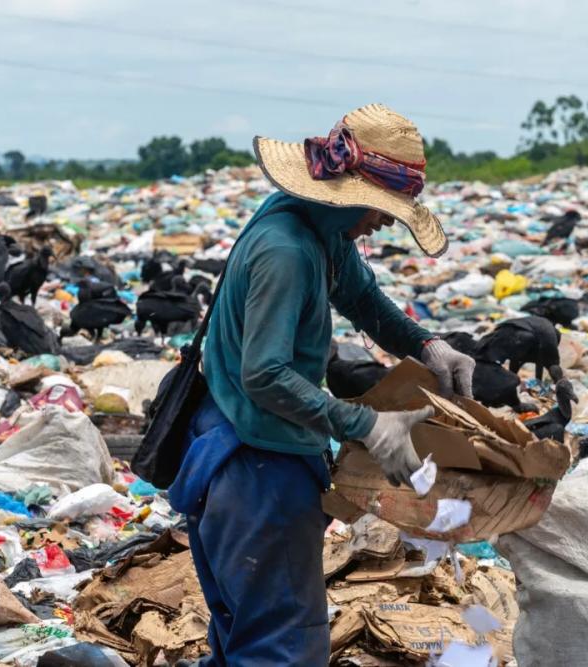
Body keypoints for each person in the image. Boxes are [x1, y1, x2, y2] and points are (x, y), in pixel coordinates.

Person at [169, 104, 476, 665]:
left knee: (245, 641)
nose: (386, 223)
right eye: (383, 211)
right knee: (281, 650)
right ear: (349, 193)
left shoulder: (317, 228)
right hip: (256, 468)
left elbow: (364, 301)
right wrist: (367, 424)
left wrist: (428, 345)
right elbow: (264, 374)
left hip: (243, 450)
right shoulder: (285, 252)